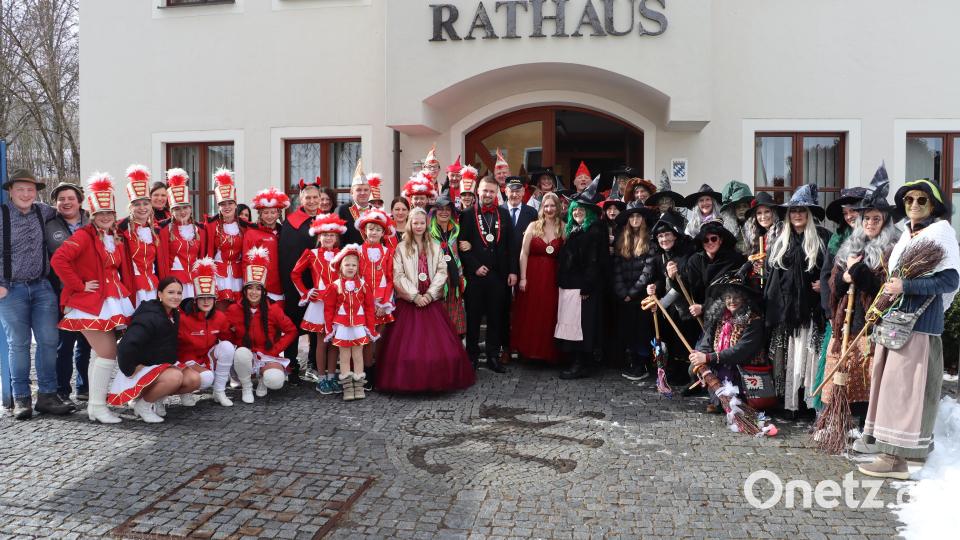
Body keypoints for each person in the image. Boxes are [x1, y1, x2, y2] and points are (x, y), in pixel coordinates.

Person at [858, 179, 959, 479]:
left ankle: (894, 459)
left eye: (921, 200)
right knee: (894, 390)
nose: (914, 205)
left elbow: (950, 282)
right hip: (898, 324)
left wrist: (906, 285)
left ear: (934, 206)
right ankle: (900, 453)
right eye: (909, 200)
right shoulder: (908, 236)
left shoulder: (941, 235)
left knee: (904, 393)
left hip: (920, 326)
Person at [50, 172, 136, 423]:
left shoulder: (114, 237)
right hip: (90, 304)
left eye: (109, 213)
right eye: (101, 214)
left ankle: (94, 406)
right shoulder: (83, 236)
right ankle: (98, 406)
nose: (106, 217)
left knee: (101, 354)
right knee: (108, 352)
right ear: (93, 215)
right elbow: (59, 260)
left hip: (110, 299)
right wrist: (78, 285)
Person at [819, 172, 898, 440]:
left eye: (877, 218)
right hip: (847, 319)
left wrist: (861, 273)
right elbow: (834, 285)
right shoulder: (850, 245)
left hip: (872, 321)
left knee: (867, 371)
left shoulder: (893, 249)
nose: (871, 223)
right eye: (867, 218)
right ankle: (839, 420)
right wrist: (845, 277)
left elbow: (884, 289)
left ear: (885, 220)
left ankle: (868, 425)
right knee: (843, 369)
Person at [0, 168, 72, 420]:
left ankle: (47, 396)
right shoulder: (1, 215)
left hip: (42, 286)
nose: (26, 193)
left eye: (30, 189)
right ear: (10, 191)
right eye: (20, 189)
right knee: (18, 345)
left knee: (49, 341)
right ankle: (21, 398)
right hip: (10, 289)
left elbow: (73, 213)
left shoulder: (44, 211)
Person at [378, 208, 476, 392]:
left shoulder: (434, 246)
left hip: (431, 300)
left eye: (422, 223)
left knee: (437, 345)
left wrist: (430, 294)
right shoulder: (401, 247)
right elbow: (397, 275)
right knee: (407, 347)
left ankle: (436, 379)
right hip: (410, 301)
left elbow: (441, 270)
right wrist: (414, 296)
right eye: (415, 223)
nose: (419, 226)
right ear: (410, 224)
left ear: (427, 224)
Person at [764, 184, 831, 416]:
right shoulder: (780, 241)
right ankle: (790, 404)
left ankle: (809, 404)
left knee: (810, 357)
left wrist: (824, 285)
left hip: (812, 310)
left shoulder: (822, 238)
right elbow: (771, 275)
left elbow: (831, 271)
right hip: (786, 310)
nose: (797, 215)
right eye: (793, 211)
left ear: (809, 214)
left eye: (802, 211)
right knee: (789, 358)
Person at [108, 277, 192, 423]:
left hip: (159, 366)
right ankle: (143, 405)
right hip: (140, 369)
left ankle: (156, 398)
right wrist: (130, 368)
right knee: (175, 377)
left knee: (194, 379)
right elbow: (125, 345)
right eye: (171, 292)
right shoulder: (149, 316)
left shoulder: (174, 313)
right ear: (159, 294)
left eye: (179, 293)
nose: (176, 297)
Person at [459, 176, 515, 373]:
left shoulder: (504, 214)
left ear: (496, 193)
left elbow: (511, 245)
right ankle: (472, 356)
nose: (488, 194)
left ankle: (493, 356)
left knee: (496, 318)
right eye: (485, 191)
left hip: (498, 276)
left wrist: (512, 271)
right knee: (473, 318)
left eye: (492, 191)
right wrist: (474, 266)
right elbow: (461, 246)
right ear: (478, 192)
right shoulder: (466, 215)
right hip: (475, 277)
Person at [226, 248, 297, 402]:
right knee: (241, 353)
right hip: (246, 356)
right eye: (250, 288)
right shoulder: (233, 310)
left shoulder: (274, 309)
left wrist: (275, 349)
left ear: (263, 291)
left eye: (258, 289)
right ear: (244, 291)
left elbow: (291, 331)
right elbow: (225, 333)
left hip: (267, 355)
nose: (254, 292)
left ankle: (263, 382)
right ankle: (246, 387)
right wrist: (239, 344)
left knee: (276, 381)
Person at [555, 177, 607, 380]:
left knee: (582, 327)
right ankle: (577, 361)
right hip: (573, 287)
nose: (577, 212)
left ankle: (580, 364)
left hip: (583, 289)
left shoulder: (593, 231)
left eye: (582, 210)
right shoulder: (577, 230)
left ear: (590, 212)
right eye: (575, 209)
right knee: (575, 325)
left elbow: (593, 263)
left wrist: (586, 288)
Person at [689, 276, 767, 413]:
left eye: (736, 297)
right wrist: (699, 356)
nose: (732, 301)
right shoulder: (719, 317)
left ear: (744, 299)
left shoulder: (753, 320)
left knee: (738, 400)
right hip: (720, 365)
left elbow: (741, 350)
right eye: (728, 297)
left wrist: (709, 358)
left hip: (742, 369)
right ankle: (718, 399)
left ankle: (735, 401)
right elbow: (706, 341)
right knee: (692, 368)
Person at [45, 181, 90, 407]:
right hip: (62, 293)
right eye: (61, 199)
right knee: (64, 344)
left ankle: (84, 387)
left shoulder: (92, 222)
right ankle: (63, 389)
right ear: (55, 203)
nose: (66, 202)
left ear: (79, 201)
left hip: (90, 293)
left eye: (70, 198)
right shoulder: (49, 224)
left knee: (86, 343)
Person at [291, 213, 345, 395]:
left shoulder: (342, 254)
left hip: (338, 304)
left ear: (337, 236)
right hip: (320, 304)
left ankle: (331, 377)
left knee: (335, 343)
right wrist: (306, 293)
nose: (329, 237)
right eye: (325, 234)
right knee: (322, 341)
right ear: (319, 236)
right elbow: (295, 274)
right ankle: (321, 378)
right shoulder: (312, 254)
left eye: (332, 234)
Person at [175, 258, 239, 408]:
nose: (206, 302)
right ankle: (181, 391)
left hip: (205, 358)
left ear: (215, 300)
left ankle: (219, 391)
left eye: (209, 298)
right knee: (206, 377)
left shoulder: (220, 317)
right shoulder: (183, 318)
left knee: (228, 347)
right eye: (202, 298)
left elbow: (229, 338)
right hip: (185, 360)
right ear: (195, 300)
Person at [645, 211, 699, 386]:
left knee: (685, 339)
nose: (664, 239)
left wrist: (661, 303)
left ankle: (688, 374)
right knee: (670, 339)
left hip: (687, 306)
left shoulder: (687, 254)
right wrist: (652, 287)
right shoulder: (660, 256)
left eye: (667, 234)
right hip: (670, 309)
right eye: (660, 236)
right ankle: (672, 369)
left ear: (675, 235)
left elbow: (683, 286)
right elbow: (659, 280)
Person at [322, 244, 380, 401]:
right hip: (342, 327)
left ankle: (359, 386)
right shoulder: (335, 286)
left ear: (358, 267)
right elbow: (328, 308)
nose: (350, 267)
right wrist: (329, 328)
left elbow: (369, 308)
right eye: (347, 264)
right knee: (345, 356)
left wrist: (370, 327)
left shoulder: (363, 285)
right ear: (340, 266)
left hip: (359, 326)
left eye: (354, 265)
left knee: (358, 355)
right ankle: (348, 388)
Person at [279, 178, 323, 383]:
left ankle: (314, 364)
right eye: (308, 198)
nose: (313, 201)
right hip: (296, 282)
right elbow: (287, 255)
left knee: (317, 325)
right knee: (293, 324)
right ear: (301, 199)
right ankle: (291, 364)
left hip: (319, 282)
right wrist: (295, 287)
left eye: (316, 197)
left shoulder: (326, 219)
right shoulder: (292, 222)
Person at [512, 192, 564, 363]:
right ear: (542, 207)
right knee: (531, 312)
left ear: (558, 208)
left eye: (552, 206)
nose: (549, 209)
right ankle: (528, 351)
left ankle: (548, 353)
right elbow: (523, 253)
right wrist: (523, 278)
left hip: (552, 277)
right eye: (546, 205)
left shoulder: (563, 227)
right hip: (533, 276)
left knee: (549, 313)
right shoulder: (533, 226)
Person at [612, 206, 656, 380]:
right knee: (628, 329)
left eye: (638, 216)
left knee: (642, 330)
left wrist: (633, 292)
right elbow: (616, 268)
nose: (635, 219)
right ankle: (632, 361)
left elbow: (648, 270)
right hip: (625, 295)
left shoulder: (650, 241)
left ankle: (642, 363)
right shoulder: (622, 240)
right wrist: (623, 292)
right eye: (632, 217)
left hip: (641, 295)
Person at [356, 208, 396, 388]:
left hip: (382, 303)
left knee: (379, 339)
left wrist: (385, 303)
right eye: (371, 228)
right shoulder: (357, 251)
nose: (374, 232)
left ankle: (379, 372)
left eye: (378, 230)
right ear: (365, 230)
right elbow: (354, 277)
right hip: (363, 303)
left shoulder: (387, 252)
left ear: (383, 233)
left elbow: (390, 279)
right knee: (365, 340)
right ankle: (366, 373)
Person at [501, 176, 538, 364]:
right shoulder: (498, 211)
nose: (514, 194)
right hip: (503, 269)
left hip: (526, 268)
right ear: (505, 191)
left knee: (524, 310)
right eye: (511, 190)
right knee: (503, 310)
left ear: (524, 192)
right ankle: (505, 347)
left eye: (518, 190)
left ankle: (523, 346)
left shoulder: (532, 212)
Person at [681, 220, 747, 320]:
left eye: (713, 239)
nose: (710, 242)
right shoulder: (694, 260)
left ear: (720, 240)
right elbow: (687, 287)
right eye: (705, 240)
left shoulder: (734, 259)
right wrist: (673, 278)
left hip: (729, 313)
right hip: (704, 317)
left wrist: (704, 307)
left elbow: (733, 290)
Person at [157, 169, 206, 298]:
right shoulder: (164, 230)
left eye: (185, 207)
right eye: (177, 209)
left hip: (195, 283)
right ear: (171, 211)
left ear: (190, 208)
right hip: (174, 285)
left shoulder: (200, 230)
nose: (182, 212)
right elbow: (162, 262)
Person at [205, 168, 249, 305]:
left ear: (236, 205)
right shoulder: (211, 225)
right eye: (223, 204)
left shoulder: (244, 227)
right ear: (218, 206)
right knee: (219, 307)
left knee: (237, 308)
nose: (227, 207)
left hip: (238, 275)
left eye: (230, 203)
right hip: (218, 274)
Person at [118, 165, 160, 309]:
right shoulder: (121, 229)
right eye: (137, 204)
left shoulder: (155, 230)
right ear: (131, 207)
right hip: (132, 285)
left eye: (146, 203)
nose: (142, 208)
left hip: (153, 285)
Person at [244, 187, 290, 305]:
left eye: (273, 212)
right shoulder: (251, 233)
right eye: (266, 212)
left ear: (279, 213)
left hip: (282, 286)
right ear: (260, 214)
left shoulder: (284, 232)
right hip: (262, 287)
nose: (269, 216)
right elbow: (246, 263)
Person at [429, 191, 467, 337]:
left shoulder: (457, 231)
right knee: (438, 323)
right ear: (435, 211)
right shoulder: (429, 233)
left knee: (454, 323)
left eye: (447, 209)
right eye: (441, 209)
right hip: (437, 282)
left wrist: (468, 245)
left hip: (455, 281)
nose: (444, 212)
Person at [742, 192, 783, 289]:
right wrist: (755, 267)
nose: (763, 216)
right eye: (759, 213)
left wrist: (767, 263)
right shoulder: (758, 236)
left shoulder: (782, 233)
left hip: (777, 286)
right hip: (762, 286)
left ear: (774, 212)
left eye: (767, 211)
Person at [337, 160, 373, 246]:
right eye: (358, 190)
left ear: (370, 192)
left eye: (366, 190)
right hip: (350, 256)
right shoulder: (342, 210)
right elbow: (338, 239)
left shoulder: (375, 210)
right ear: (352, 192)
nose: (363, 193)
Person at [718, 180, 754, 254]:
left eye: (745, 206)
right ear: (733, 211)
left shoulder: (757, 227)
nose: (741, 209)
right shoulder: (726, 230)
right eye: (738, 207)